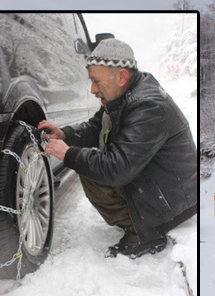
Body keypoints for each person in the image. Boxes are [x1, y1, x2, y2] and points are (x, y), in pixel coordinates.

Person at [39, 38, 197, 258]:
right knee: (87, 164)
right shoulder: (124, 97)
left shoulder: (148, 108)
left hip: (172, 202)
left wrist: (68, 154)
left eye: (97, 81)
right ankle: (138, 219)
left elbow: (118, 169)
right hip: (161, 186)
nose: (93, 89)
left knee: (91, 167)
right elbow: (97, 126)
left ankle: (146, 234)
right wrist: (65, 134)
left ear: (122, 77)